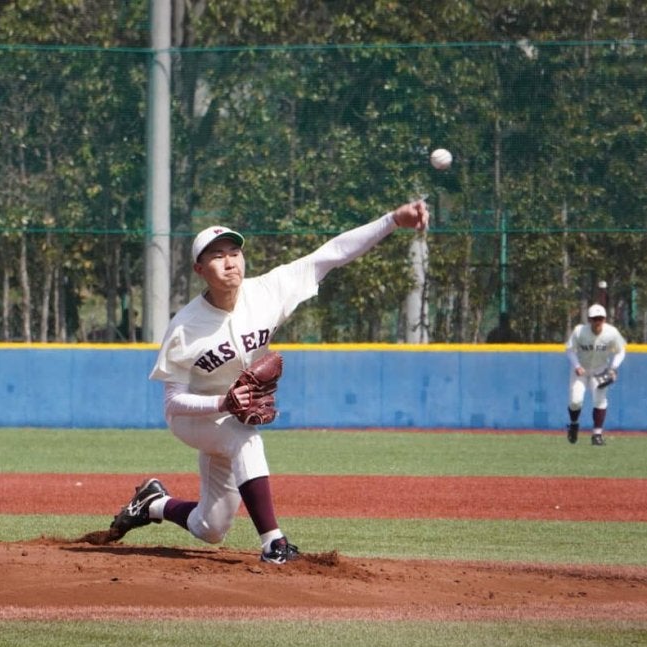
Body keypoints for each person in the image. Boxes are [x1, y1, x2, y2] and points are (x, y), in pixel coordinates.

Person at [108, 200, 430, 564]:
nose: (230, 261)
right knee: (244, 438)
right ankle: (274, 544)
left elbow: (332, 254)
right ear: (199, 269)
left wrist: (392, 220)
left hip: (233, 413)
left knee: (211, 527)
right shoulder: (184, 327)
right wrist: (222, 403)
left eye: (235, 253)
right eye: (217, 256)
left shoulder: (268, 291)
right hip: (195, 416)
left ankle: (153, 503)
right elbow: (172, 403)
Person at [565, 303, 627, 446]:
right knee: (575, 401)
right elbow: (569, 350)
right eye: (595, 318)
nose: (598, 321)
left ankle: (597, 434)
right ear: (589, 319)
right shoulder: (580, 331)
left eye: (600, 318)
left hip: (600, 370)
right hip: (581, 369)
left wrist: (613, 368)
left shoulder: (612, 332)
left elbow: (621, 351)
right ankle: (574, 425)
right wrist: (576, 365)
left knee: (600, 400)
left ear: (604, 319)